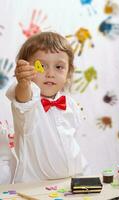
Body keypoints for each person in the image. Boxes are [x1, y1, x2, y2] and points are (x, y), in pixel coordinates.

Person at [6, 31, 89, 183]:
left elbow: (71, 141)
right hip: (35, 186)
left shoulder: (70, 103)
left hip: (73, 180)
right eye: (42, 66)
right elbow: (23, 98)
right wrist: (23, 83)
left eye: (59, 67)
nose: (50, 73)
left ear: (68, 72)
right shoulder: (29, 104)